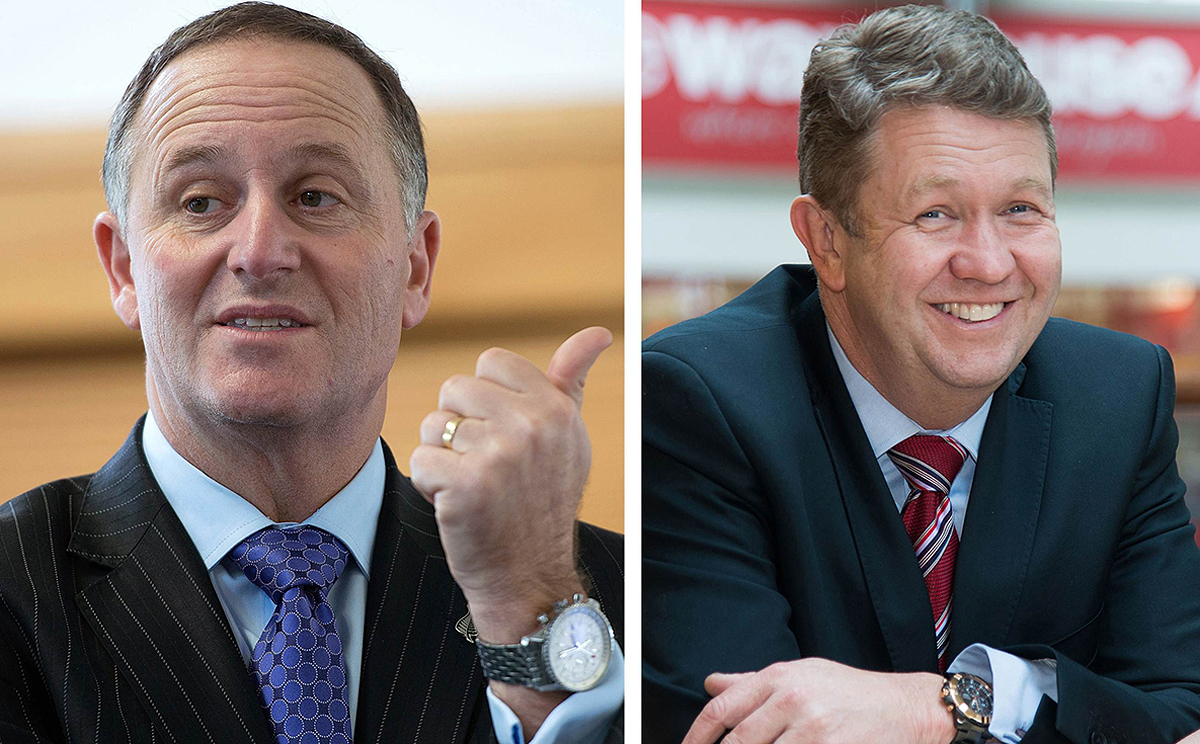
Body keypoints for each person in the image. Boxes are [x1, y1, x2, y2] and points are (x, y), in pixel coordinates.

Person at [0, 4, 623, 743]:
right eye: (201, 202)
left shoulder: (602, 589)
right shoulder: (13, 590)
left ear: (415, 267)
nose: (260, 250)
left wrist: (526, 609)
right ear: (125, 268)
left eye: (315, 196)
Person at [643, 5, 1200, 744]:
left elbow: (1180, 713)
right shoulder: (700, 400)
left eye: (1021, 209)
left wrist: (952, 706)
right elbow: (732, 730)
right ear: (827, 242)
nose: (990, 263)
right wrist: (1056, 706)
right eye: (936, 215)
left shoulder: (1120, 395)